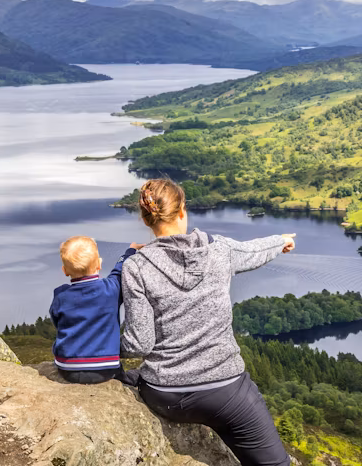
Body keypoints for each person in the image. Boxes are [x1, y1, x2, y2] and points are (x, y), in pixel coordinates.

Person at [121, 179, 296, 466]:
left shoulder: (136, 266)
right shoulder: (220, 251)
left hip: (166, 396)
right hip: (227, 391)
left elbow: (139, 344)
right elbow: (252, 252)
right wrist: (282, 241)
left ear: (145, 219)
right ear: (182, 212)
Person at [50, 236, 142, 385]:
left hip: (67, 370)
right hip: (105, 370)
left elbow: (57, 322)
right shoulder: (111, 289)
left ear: (65, 270)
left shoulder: (61, 295)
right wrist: (130, 251)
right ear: (99, 264)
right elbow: (120, 271)